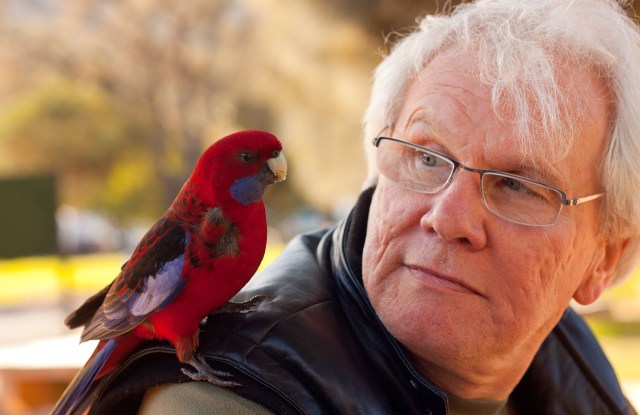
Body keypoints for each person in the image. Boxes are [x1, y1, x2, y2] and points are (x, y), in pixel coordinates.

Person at [84, 0, 640, 414]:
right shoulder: (223, 405)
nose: (447, 218)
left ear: (606, 259)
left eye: (518, 186)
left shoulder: (572, 362)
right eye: (427, 157)